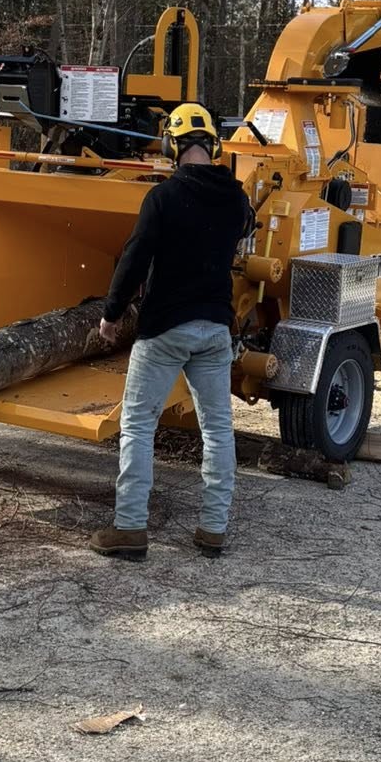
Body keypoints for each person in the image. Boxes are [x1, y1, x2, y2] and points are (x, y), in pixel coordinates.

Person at [92, 103, 255, 560]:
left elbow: (134, 258)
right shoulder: (236, 198)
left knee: (138, 425)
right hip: (215, 329)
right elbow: (244, 227)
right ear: (213, 146)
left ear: (171, 146)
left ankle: (130, 529)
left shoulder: (162, 198)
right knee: (218, 431)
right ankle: (213, 530)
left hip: (165, 330)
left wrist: (111, 314)